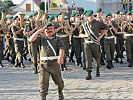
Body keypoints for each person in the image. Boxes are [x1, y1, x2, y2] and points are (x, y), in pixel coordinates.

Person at [29, 22, 65, 100]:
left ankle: (60, 91)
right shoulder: (41, 38)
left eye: (51, 29)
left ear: (54, 30)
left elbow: (62, 48)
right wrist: (38, 31)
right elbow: (31, 40)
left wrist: (61, 57)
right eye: (47, 29)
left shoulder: (58, 38)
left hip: (54, 63)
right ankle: (43, 97)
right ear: (44, 30)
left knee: (59, 82)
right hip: (43, 65)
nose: (49, 30)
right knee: (43, 82)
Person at [79, 10, 108, 80]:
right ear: (86, 17)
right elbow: (80, 34)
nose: (91, 17)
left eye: (92, 15)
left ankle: (97, 69)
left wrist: (100, 36)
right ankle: (89, 73)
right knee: (88, 58)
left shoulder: (98, 23)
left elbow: (106, 28)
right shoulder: (84, 24)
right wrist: (85, 35)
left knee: (97, 58)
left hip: (95, 43)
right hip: (87, 43)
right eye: (89, 16)